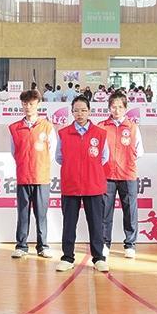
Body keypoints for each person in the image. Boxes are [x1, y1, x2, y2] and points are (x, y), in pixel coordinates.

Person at [55, 94, 109, 273]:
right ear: (72, 112)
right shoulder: (63, 133)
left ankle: (99, 258)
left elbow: (104, 157)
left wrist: (89, 169)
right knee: (69, 224)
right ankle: (67, 257)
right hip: (71, 185)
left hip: (93, 185)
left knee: (96, 224)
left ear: (89, 111)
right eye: (76, 110)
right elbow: (59, 157)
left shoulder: (100, 134)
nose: (80, 114)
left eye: (83, 110)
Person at [9, 89, 55, 259]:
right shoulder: (15, 128)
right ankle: (21, 245)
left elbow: (52, 151)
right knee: (23, 213)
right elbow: (14, 151)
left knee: (41, 214)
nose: (28, 107)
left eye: (31, 104)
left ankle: (43, 246)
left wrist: (40, 165)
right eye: (25, 104)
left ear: (38, 104)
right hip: (23, 176)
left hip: (41, 177)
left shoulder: (47, 127)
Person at [102, 90, 143, 259]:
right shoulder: (102, 126)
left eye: (120, 107)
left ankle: (130, 244)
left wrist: (125, 162)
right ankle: (104, 243)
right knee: (105, 211)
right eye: (113, 107)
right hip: (107, 176)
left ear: (125, 108)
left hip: (128, 175)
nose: (116, 110)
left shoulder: (133, 128)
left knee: (130, 211)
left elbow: (139, 151)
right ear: (109, 108)